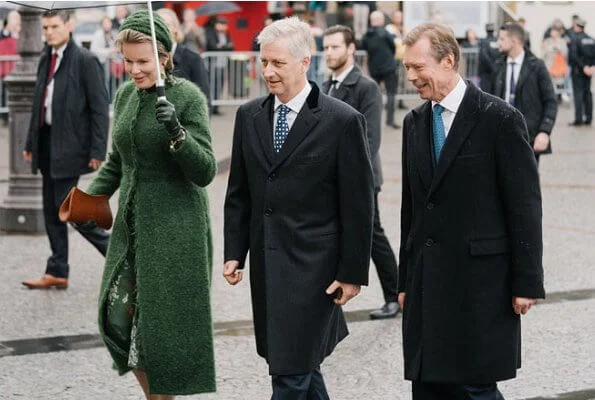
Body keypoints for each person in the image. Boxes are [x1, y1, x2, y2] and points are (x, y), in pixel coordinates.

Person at [223, 17, 374, 399]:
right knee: (300, 366)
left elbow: (358, 205)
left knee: (289, 375)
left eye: (278, 63)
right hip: (267, 266)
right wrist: (233, 253)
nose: (268, 72)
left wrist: (352, 273)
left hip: (314, 270)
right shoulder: (249, 116)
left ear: (305, 62)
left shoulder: (342, 121)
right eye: (264, 62)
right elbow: (240, 192)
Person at [399, 22, 545, 399]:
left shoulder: (499, 118)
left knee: (474, 387)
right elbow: (411, 210)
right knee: (428, 384)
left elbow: (525, 208)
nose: (410, 76)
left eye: (418, 67)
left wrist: (526, 282)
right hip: (427, 283)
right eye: (407, 68)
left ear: (448, 61)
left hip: (480, 284)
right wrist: (404, 281)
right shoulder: (414, 124)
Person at [85, 10, 217, 399]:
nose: (134, 70)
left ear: (164, 56)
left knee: (163, 335)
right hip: (132, 229)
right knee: (119, 320)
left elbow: (206, 170)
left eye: (142, 61)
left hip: (177, 232)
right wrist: (89, 199)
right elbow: (117, 161)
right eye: (127, 61)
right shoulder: (126, 95)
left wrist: (177, 132)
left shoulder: (187, 97)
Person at [21, 10, 110, 290]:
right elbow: (39, 104)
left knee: (72, 212)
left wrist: (98, 149)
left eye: (54, 26)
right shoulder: (45, 58)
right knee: (51, 210)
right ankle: (58, 269)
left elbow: (99, 108)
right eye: (45, 27)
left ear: (69, 26)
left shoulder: (85, 60)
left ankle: (118, 256)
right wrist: (29, 144)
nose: (48, 32)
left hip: (71, 147)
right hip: (47, 144)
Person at [323, 25, 399, 320]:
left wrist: (347, 177)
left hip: (362, 177)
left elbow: (370, 140)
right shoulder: (325, 85)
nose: (329, 53)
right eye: (326, 47)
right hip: (330, 178)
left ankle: (395, 295)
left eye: (335, 47)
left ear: (351, 48)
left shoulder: (365, 87)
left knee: (370, 235)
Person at [490, 22, 558, 166]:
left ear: (514, 41)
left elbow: (550, 101)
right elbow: (488, 100)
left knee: (527, 186)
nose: (498, 43)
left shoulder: (537, 66)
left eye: (502, 39)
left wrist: (544, 131)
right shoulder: (497, 65)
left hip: (529, 137)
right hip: (500, 136)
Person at [156, 8, 211, 114]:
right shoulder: (149, 59)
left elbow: (204, 100)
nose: (161, 29)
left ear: (175, 28)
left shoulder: (193, 59)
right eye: (157, 25)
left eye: (166, 24)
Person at [362, 10, 400, 129]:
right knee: (391, 95)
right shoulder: (386, 33)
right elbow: (393, 47)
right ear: (381, 20)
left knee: (374, 96)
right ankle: (389, 121)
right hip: (389, 67)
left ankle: (373, 121)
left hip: (374, 69)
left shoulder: (366, 36)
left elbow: (365, 50)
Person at [205, 16, 234, 115]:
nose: (223, 26)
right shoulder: (211, 33)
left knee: (221, 85)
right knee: (213, 85)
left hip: (223, 64)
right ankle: (211, 107)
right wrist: (224, 47)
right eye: (220, 24)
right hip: (214, 64)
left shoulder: (227, 34)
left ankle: (216, 108)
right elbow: (212, 47)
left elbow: (231, 47)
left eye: (224, 24)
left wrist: (222, 46)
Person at [568, 17, 594, 126]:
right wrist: (592, 67)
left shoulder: (575, 39)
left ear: (577, 26)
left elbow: (574, 56)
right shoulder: (591, 39)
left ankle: (578, 119)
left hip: (578, 71)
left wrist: (583, 67)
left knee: (578, 94)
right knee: (587, 93)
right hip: (589, 71)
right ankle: (588, 118)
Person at [90, 15, 118, 101]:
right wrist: (109, 51)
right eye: (105, 23)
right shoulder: (98, 34)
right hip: (100, 62)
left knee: (110, 82)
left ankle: (109, 100)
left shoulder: (112, 34)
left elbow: (114, 47)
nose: (107, 25)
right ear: (102, 24)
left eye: (108, 23)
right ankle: (103, 100)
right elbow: (93, 50)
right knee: (102, 83)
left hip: (110, 62)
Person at [385, 10, 408, 109]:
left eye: (400, 16)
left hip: (404, 59)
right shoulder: (389, 28)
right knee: (393, 82)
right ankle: (391, 103)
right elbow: (396, 42)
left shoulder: (405, 28)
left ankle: (400, 102)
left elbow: (407, 41)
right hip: (393, 59)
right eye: (397, 16)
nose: (399, 19)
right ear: (393, 18)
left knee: (402, 82)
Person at [478, 22, 500, 91]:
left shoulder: (483, 41)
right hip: (493, 71)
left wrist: (493, 66)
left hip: (488, 72)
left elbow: (483, 56)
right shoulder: (497, 40)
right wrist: (494, 67)